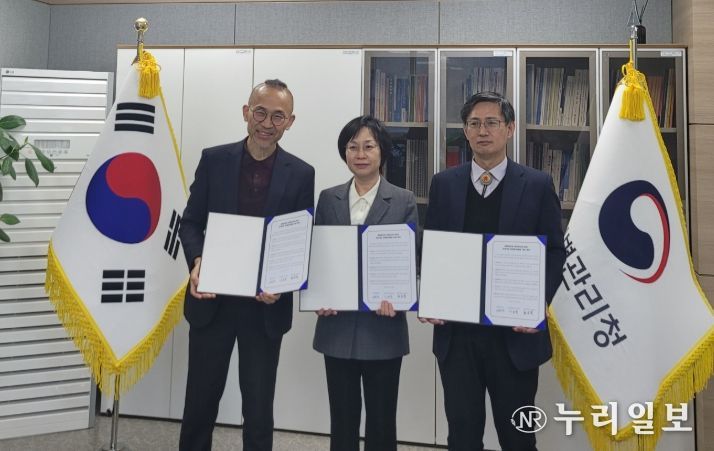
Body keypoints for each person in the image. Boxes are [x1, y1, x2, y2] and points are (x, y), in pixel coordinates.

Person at [422, 91, 565, 451]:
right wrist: (431, 297)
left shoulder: (537, 184)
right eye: (474, 123)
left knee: (518, 438)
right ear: (465, 131)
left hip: (514, 337)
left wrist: (538, 303)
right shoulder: (444, 184)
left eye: (491, 123)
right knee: (462, 436)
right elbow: (433, 250)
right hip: (458, 336)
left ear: (509, 129)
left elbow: (555, 252)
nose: (482, 131)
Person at [178, 79, 315, 451]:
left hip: (264, 308)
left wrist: (282, 283)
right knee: (199, 405)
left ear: (290, 122)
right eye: (260, 112)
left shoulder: (302, 173)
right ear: (246, 112)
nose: (267, 123)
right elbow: (190, 223)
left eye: (278, 116)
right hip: (212, 302)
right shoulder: (214, 160)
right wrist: (197, 261)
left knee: (258, 410)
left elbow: (299, 239)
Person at [312, 115, 418, 451]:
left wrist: (399, 297)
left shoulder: (403, 200)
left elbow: (409, 261)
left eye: (368, 146)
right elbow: (319, 257)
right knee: (341, 419)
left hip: (383, 328)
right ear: (344, 152)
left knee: (382, 421)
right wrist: (320, 295)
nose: (360, 154)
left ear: (382, 151)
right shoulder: (328, 198)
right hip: (337, 327)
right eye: (352, 147)